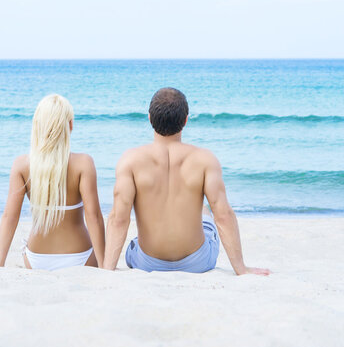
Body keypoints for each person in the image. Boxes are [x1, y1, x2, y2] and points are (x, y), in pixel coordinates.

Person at [103, 87, 270, 275]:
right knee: (204, 210)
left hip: (148, 263)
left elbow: (119, 218)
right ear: (185, 120)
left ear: (150, 118)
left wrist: (107, 270)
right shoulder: (205, 159)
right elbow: (223, 215)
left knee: (133, 244)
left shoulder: (130, 160)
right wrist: (241, 268)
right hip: (198, 262)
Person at [0, 94, 105, 270]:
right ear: (70, 125)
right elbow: (94, 217)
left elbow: (10, 217)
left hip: (36, 258)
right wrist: (104, 265)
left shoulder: (21, 165)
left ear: (37, 126)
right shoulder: (84, 163)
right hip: (80, 256)